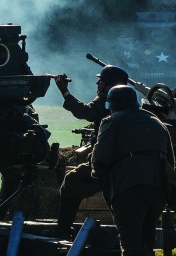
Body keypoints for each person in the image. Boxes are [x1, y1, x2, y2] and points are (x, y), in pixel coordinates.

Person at [91, 84, 176, 256]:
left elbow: (100, 158)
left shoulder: (111, 122)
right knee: (146, 232)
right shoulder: (156, 122)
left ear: (113, 106)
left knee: (128, 236)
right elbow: (171, 160)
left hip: (129, 183)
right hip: (159, 184)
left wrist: (100, 175)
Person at [52, 64, 130, 239]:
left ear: (108, 84)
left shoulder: (106, 99)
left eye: (101, 80)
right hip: (127, 160)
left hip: (106, 161)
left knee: (71, 182)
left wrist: (64, 91)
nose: (98, 84)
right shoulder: (129, 101)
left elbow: (85, 112)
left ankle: (62, 232)